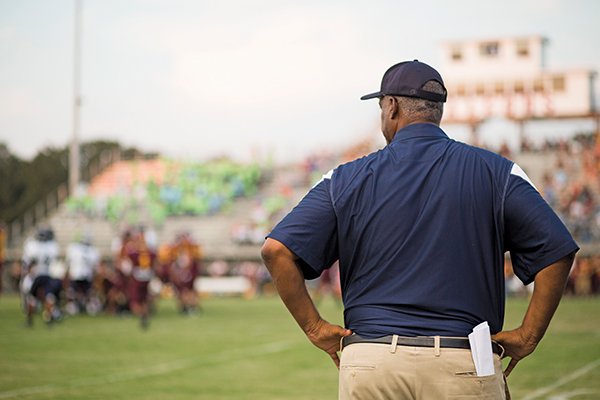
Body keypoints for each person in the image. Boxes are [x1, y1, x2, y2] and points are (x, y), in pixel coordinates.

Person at [261, 60, 578, 399]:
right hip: (463, 358)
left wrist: (315, 327)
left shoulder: (344, 178)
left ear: (392, 106)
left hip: (372, 359)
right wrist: (529, 334)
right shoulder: (497, 171)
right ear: (437, 110)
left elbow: (276, 250)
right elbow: (557, 249)